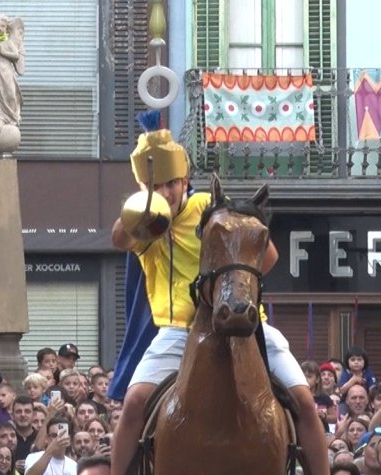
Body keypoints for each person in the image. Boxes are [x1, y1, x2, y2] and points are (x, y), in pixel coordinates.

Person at [109, 116, 326, 475]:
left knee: (303, 400)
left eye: (171, 184)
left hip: (247, 323)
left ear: (184, 181)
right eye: (156, 185)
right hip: (178, 332)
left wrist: (237, 278)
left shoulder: (211, 209)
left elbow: (266, 256)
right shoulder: (145, 221)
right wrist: (142, 209)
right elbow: (119, 239)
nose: (165, 192)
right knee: (133, 403)